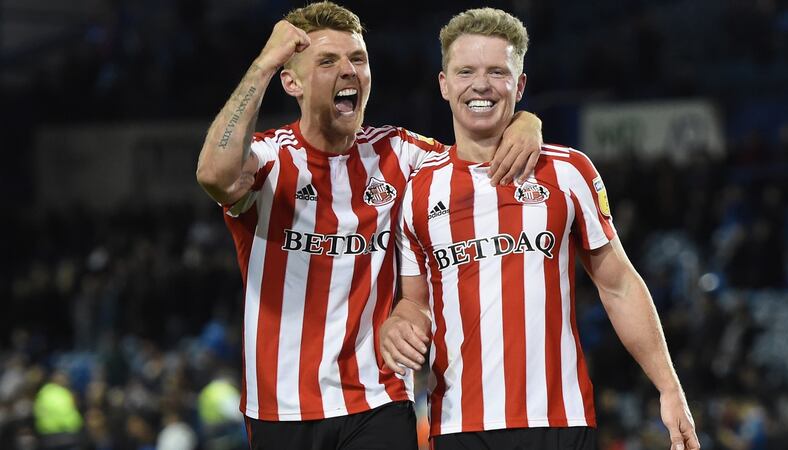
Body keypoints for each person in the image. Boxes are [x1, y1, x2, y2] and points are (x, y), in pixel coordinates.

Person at [195, 2, 543, 449]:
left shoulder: (400, 152)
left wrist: (526, 120)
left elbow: (476, 153)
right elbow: (213, 174)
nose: (349, 71)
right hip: (281, 409)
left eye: (357, 59)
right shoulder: (270, 159)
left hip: (378, 400)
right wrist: (263, 64)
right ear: (291, 82)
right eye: (327, 61)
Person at [380, 7, 701, 450]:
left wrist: (669, 387)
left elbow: (619, 286)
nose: (481, 85)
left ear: (521, 84)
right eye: (466, 70)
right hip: (457, 425)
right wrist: (401, 318)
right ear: (444, 83)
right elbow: (416, 304)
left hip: (559, 421)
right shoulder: (418, 189)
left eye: (498, 71)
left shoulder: (567, 171)